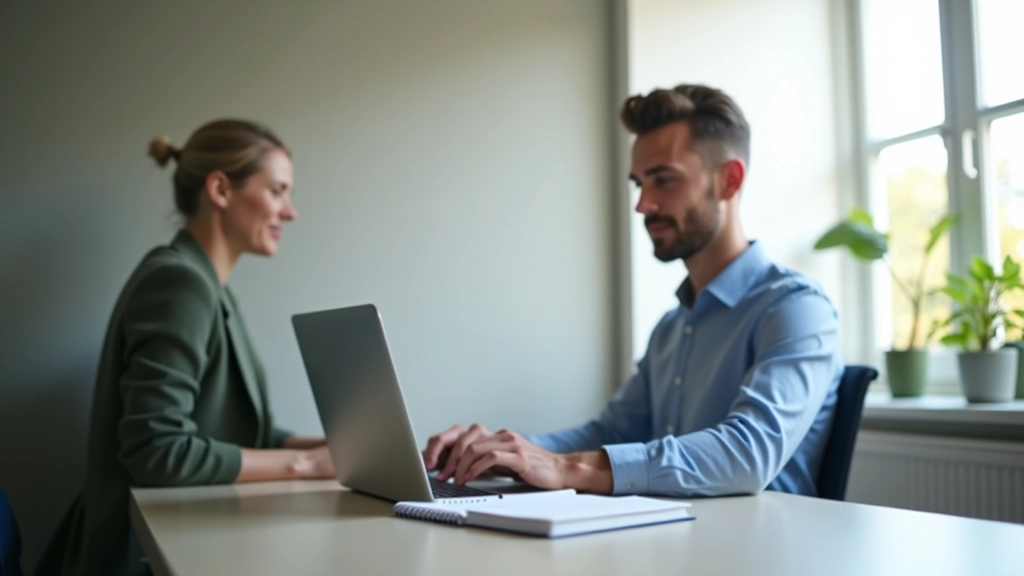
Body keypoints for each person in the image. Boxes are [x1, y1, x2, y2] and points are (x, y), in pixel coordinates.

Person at [422, 85, 842, 498]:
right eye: (639, 184)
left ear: (729, 181)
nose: (643, 204)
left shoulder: (796, 308)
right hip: (673, 533)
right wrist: (506, 452)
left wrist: (565, 467)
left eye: (664, 181)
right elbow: (611, 433)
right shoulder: (672, 327)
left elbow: (747, 455)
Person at [35, 120, 335, 576]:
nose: (290, 212)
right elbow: (157, 450)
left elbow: (236, 429)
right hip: (138, 557)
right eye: (277, 191)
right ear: (220, 189)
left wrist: (339, 448)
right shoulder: (180, 283)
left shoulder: (209, 287)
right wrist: (305, 464)